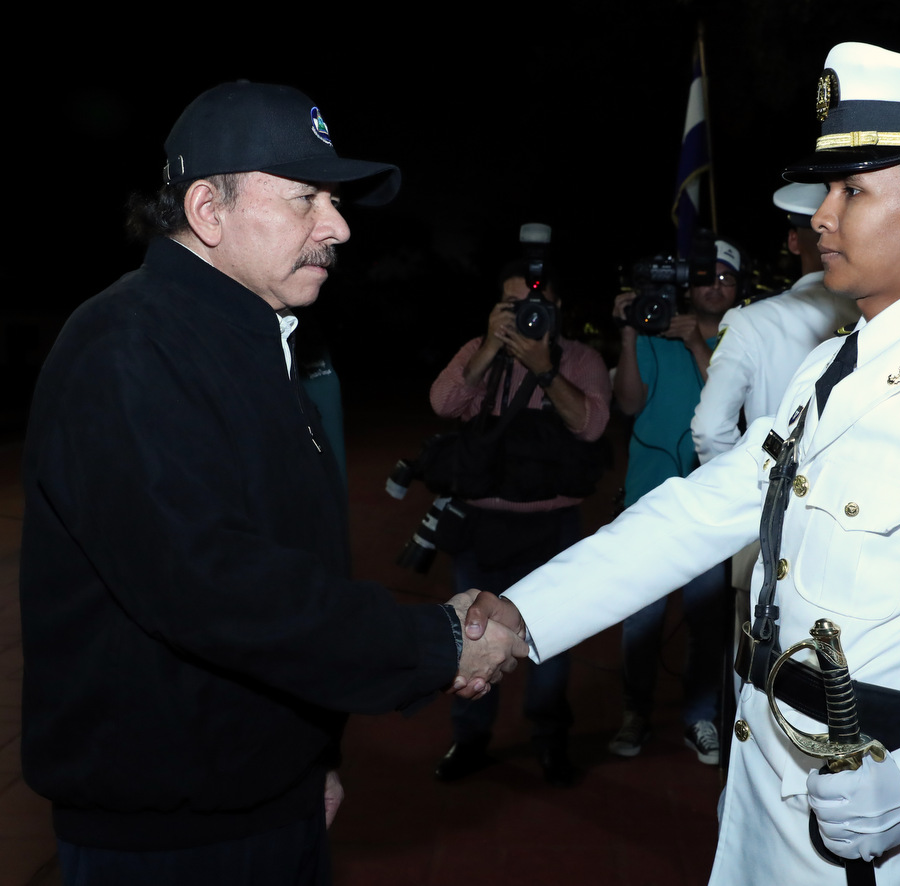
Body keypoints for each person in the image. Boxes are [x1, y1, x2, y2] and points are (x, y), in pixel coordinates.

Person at [470, 43, 900, 884]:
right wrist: (523, 615)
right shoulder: (832, 366)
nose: (820, 218)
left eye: (852, 191)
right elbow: (704, 510)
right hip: (765, 787)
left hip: (874, 829)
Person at [19, 81, 526, 886]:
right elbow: (212, 586)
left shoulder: (257, 337)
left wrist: (308, 757)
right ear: (208, 210)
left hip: (263, 794)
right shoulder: (127, 347)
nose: (338, 227)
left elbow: (291, 559)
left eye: (335, 200)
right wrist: (435, 642)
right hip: (169, 837)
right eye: (305, 198)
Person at [427, 255, 611, 786]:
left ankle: (549, 738)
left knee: (551, 640)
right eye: (514, 304)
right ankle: (470, 738)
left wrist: (544, 368)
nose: (528, 313)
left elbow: (591, 426)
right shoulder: (479, 351)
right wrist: (490, 345)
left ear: (558, 307)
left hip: (553, 526)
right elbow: (442, 403)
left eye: (538, 304)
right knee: (471, 635)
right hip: (481, 525)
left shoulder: (580, 359)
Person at [607, 239, 743, 764]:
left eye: (727, 278)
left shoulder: (740, 341)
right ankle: (634, 712)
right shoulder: (651, 333)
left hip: (711, 507)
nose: (716, 287)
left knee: (707, 622)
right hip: (648, 501)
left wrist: (696, 345)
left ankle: (699, 716)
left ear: (739, 288)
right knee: (640, 620)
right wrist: (627, 334)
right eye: (708, 277)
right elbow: (628, 405)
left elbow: (735, 408)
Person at [692, 183, 858, 466]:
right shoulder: (880, 310)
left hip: (776, 484)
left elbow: (710, 431)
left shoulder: (749, 320)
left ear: (793, 242)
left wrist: (750, 485)